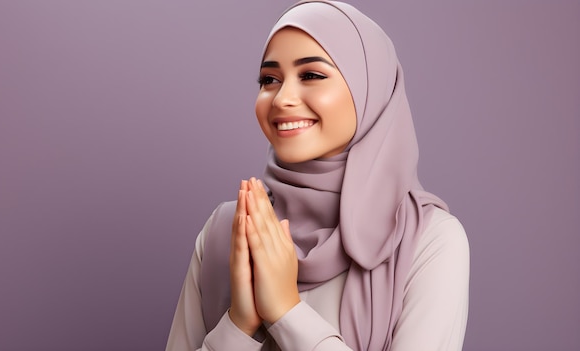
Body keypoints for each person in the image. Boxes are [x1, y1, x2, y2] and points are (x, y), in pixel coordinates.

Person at [165, 1, 469, 350]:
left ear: (368, 87)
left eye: (310, 75)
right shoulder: (226, 232)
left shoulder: (428, 242)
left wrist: (286, 312)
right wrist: (238, 325)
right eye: (269, 79)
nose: (282, 98)